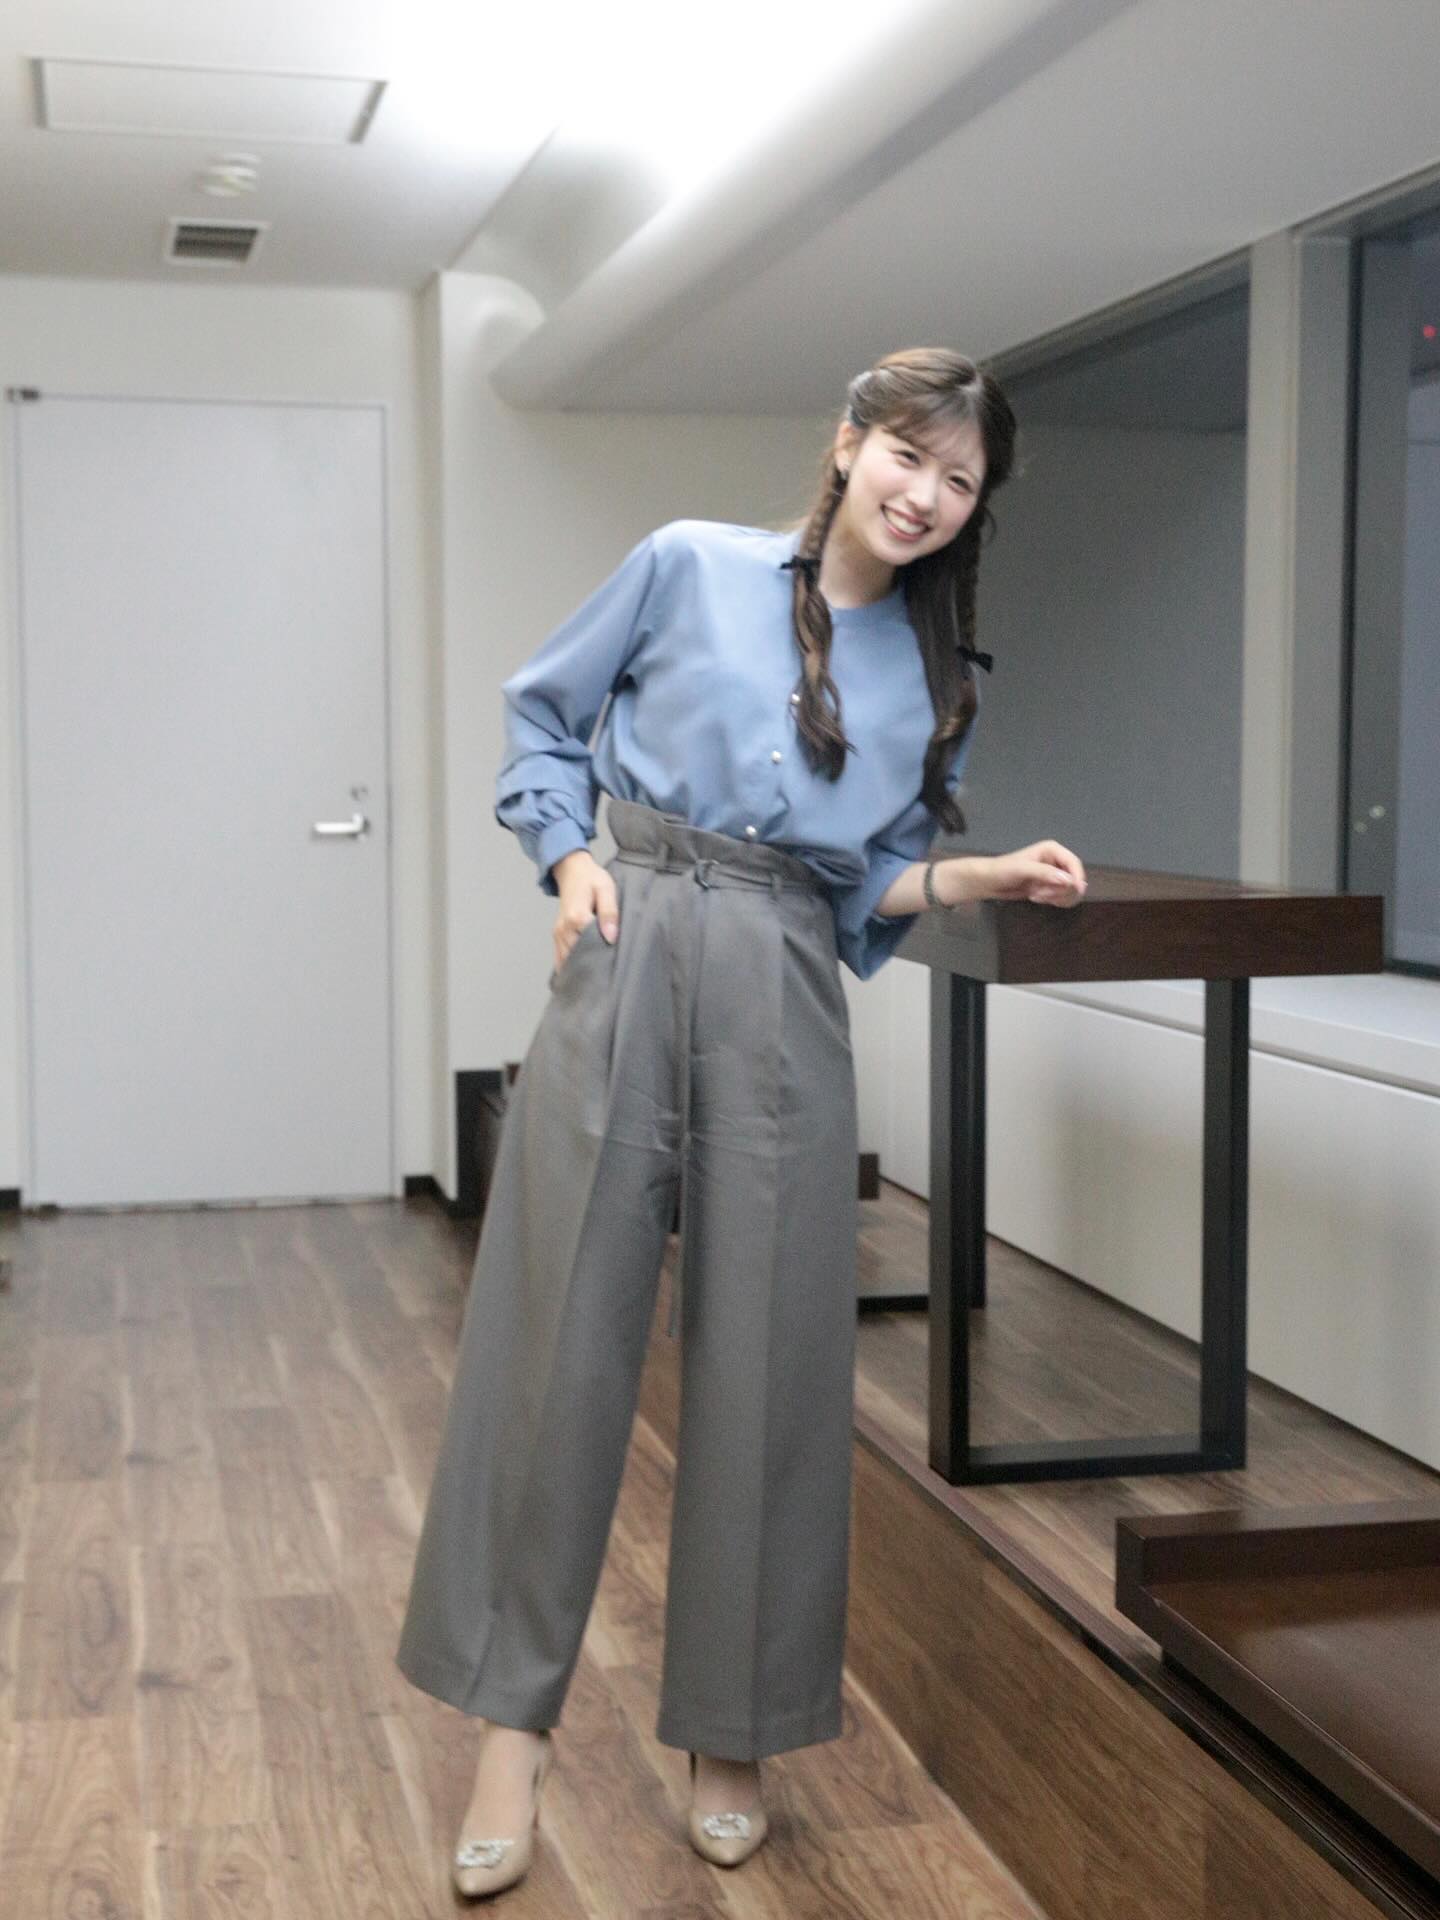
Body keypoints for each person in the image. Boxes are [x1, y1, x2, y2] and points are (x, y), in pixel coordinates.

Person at [395, 346, 1087, 1897]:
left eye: (959, 480)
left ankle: (737, 1731)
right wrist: (571, 859)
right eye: (908, 454)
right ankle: (510, 1728)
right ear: (848, 442)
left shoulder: (942, 677)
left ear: (974, 507)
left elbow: (862, 882)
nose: (925, 493)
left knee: (774, 1360)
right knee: (556, 1337)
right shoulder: (685, 565)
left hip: (782, 974)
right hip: (631, 936)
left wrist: (973, 877)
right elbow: (541, 720)